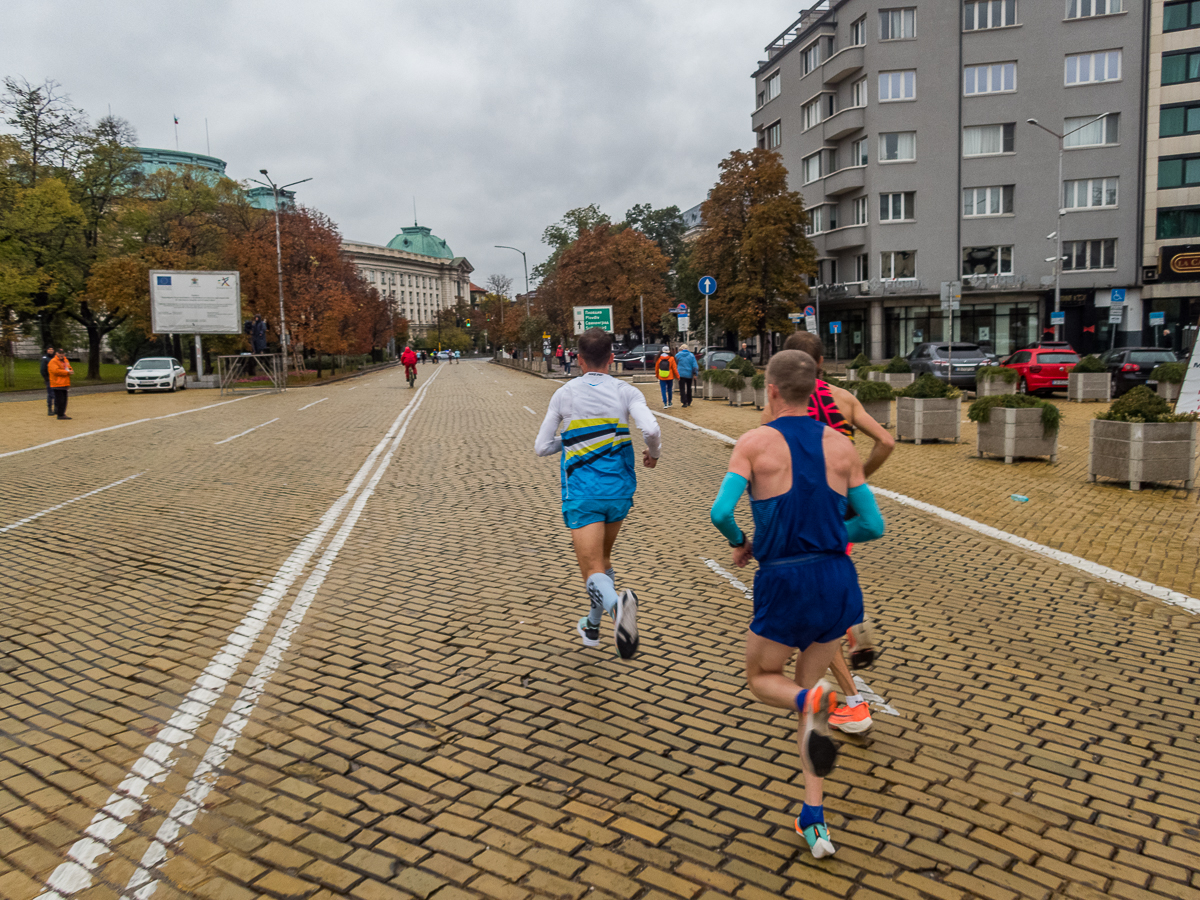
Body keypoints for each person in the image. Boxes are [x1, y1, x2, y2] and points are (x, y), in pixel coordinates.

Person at [710, 349, 884, 859]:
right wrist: (827, 534)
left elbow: (720, 512)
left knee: (767, 679)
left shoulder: (754, 442)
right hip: (836, 581)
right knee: (805, 694)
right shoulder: (840, 445)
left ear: (771, 391)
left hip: (785, 580)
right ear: (815, 392)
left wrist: (747, 541)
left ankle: (813, 701)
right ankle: (814, 820)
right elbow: (872, 525)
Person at [783, 331, 894, 735]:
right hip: (839, 509)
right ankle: (853, 622)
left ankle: (853, 703)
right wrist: (857, 480)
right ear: (821, 362)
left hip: (800, 517)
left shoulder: (785, 402)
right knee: (830, 584)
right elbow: (885, 440)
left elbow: (765, 451)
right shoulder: (843, 399)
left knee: (811, 619)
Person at [534, 327, 661, 659]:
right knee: (602, 563)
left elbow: (542, 447)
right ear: (612, 357)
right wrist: (654, 454)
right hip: (619, 492)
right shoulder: (626, 391)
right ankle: (592, 627)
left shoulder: (565, 394)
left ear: (577, 359)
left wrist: (573, 439)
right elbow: (650, 429)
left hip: (583, 493)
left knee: (591, 570)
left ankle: (617, 610)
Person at [48, 348, 74, 420]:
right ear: (56, 353)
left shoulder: (65, 360)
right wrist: (67, 372)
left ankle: (62, 413)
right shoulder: (53, 361)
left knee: (64, 400)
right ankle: (60, 414)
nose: (61, 355)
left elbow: (69, 367)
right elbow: (55, 371)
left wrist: (70, 370)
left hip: (65, 383)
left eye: (62, 353)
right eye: (59, 353)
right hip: (57, 383)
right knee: (60, 400)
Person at [675, 342, 698, 408]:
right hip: (689, 374)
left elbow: (675, 363)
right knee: (688, 387)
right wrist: (695, 373)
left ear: (681, 349)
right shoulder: (691, 355)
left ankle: (684, 401)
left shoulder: (678, 355)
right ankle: (689, 400)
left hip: (680, 374)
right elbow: (695, 366)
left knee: (682, 388)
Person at [40, 346, 55, 416]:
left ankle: (56, 408)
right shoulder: (45, 359)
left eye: (52, 349)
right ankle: (49, 408)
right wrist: (46, 378)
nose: (51, 350)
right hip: (49, 379)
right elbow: (43, 369)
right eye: (49, 349)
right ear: (47, 350)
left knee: (56, 394)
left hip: (56, 379)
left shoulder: (55, 358)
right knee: (51, 394)